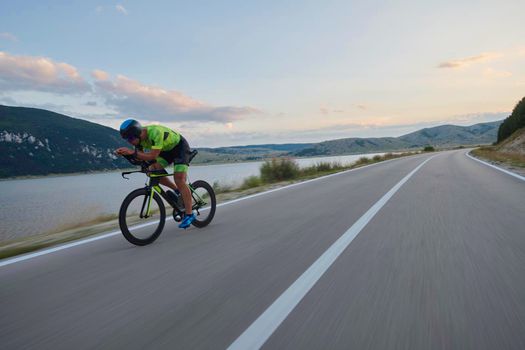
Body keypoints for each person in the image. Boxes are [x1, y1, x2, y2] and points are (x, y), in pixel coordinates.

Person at [115, 119, 196, 229]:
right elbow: (141, 158)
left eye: (131, 138)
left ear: (138, 133)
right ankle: (177, 191)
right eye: (127, 139)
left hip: (179, 148)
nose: (130, 142)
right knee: (152, 171)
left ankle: (190, 214)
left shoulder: (155, 132)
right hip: (165, 151)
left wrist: (132, 152)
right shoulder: (139, 142)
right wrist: (126, 155)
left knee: (179, 179)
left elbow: (152, 156)